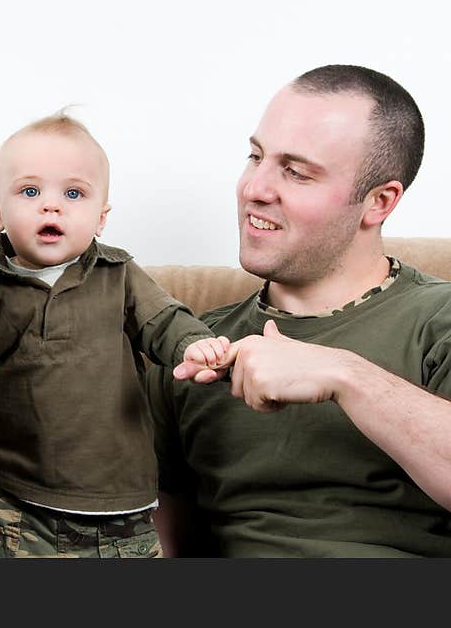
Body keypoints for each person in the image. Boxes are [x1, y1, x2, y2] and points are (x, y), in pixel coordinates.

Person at [153, 65, 451, 557]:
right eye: (255, 157)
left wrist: (343, 373)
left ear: (378, 202)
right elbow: (157, 532)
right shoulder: (190, 343)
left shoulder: (437, 318)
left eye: (296, 171)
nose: (255, 188)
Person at [0, 113, 229, 557]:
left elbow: (165, 321)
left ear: (101, 218)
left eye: (73, 193)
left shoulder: (119, 275)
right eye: (30, 191)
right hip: (11, 499)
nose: (51, 206)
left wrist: (193, 344)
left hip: (118, 503)